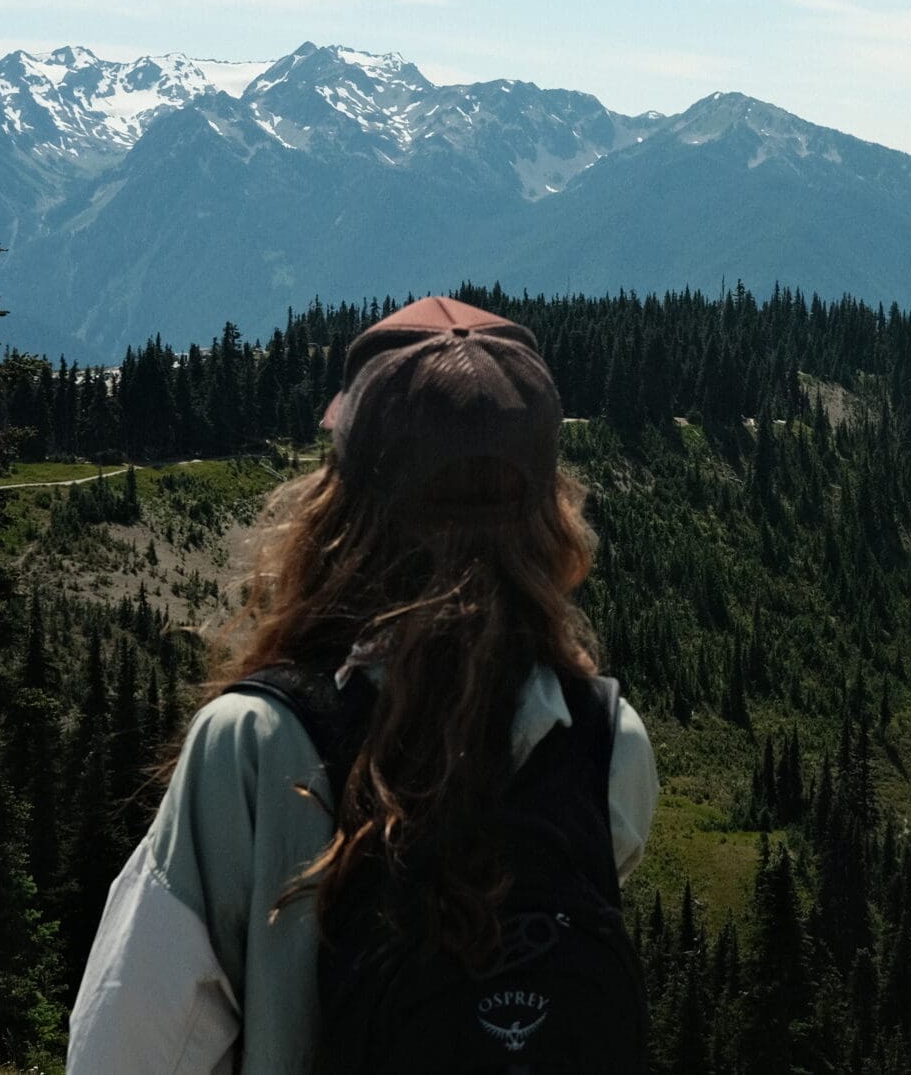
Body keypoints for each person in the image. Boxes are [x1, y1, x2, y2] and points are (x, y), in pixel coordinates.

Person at [68, 296, 658, 1073]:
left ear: (338, 505)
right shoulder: (605, 742)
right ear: (549, 511)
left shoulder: (254, 743)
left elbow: (129, 1047)